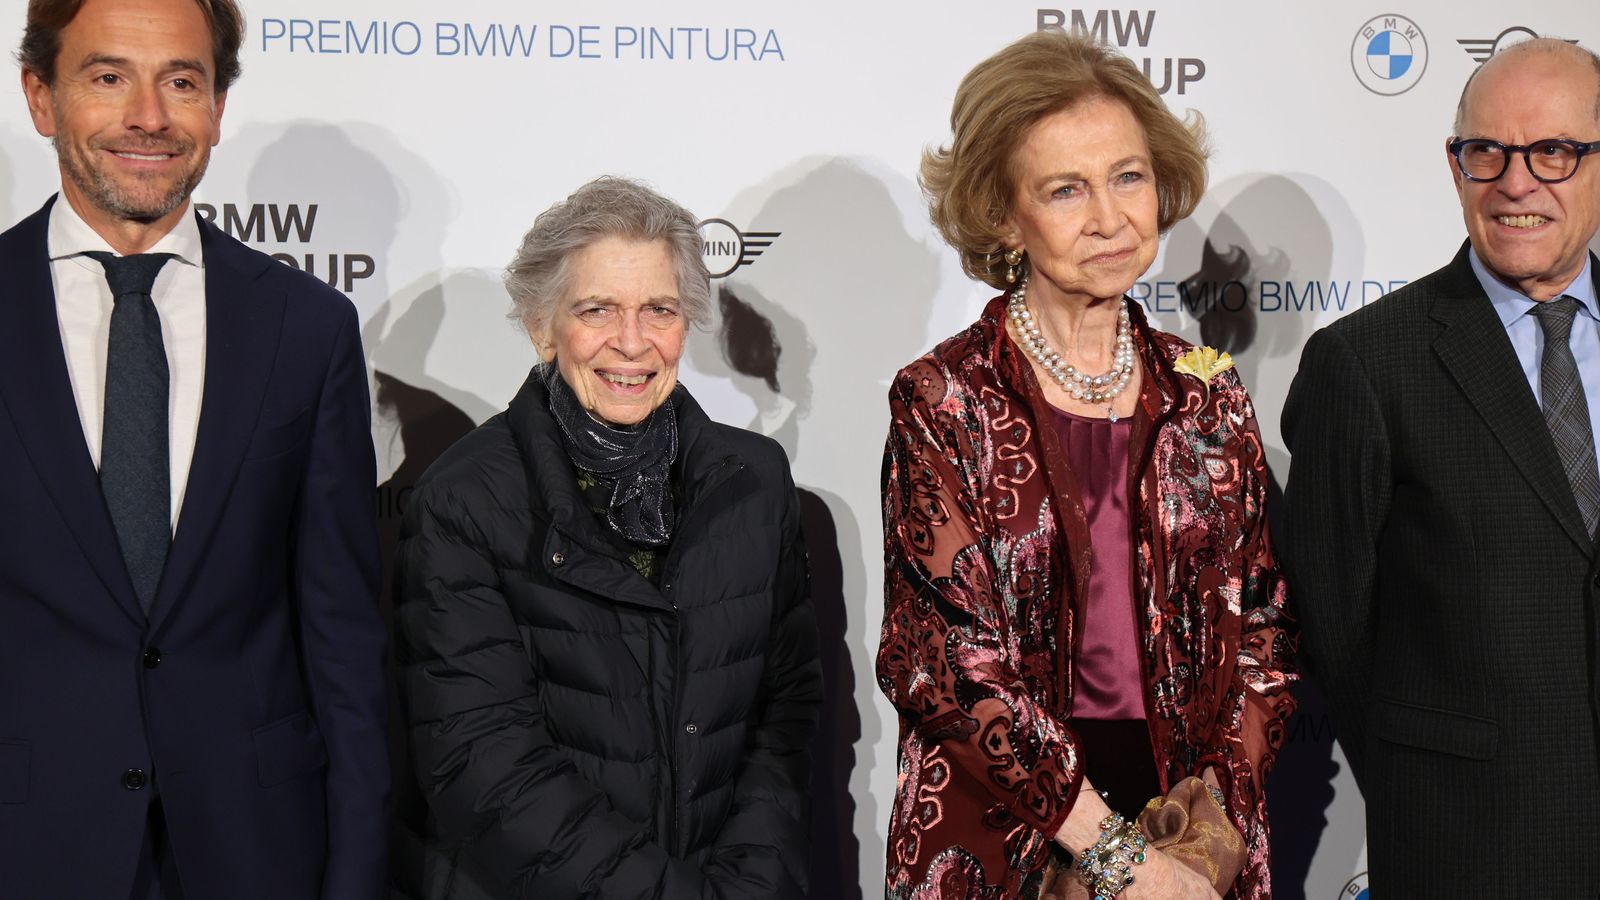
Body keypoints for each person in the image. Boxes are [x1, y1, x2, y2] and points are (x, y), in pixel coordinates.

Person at [877, 29, 1296, 900]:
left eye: (1128, 177)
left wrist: (1205, 840)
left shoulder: (1208, 392)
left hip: (1192, 825)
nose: (1110, 218)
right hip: (1006, 830)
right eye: (1065, 189)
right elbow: (947, 665)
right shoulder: (944, 400)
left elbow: (1266, 629)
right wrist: (1117, 861)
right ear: (1003, 213)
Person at [0, 0, 389, 898]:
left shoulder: (306, 328)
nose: (149, 116)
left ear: (216, 108)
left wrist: (357, 877)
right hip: (28, 847)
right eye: (108, 77)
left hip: (257, 852)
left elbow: (342, 641)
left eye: (181, 81)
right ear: (41, 97)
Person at [394, 176, 821, 898]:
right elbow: (483, 763)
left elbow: (784, 718)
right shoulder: (463, 500)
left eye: (659, 309)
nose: (631, 341)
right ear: (543, 327)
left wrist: (747, 883)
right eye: (597, 310)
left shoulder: (756, 481)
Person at [1281, 37, 1600, 895]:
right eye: (1485, 151)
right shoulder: (1366, 364)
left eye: (1554, 151)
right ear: (1455, 165)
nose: (1516, 182)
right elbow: (1333, 627)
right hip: (1467, 845)